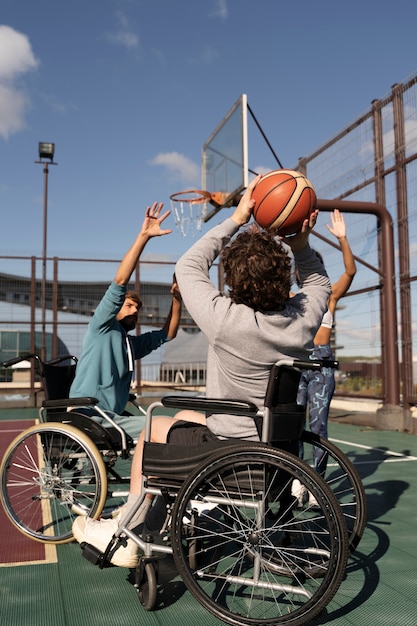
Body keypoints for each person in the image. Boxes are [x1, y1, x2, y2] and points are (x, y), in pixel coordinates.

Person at [72, 175, 331, 567]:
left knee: (156, 426)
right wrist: (299, 242)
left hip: (231, 451)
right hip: (276, 447)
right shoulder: (302, 321)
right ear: (284, 279)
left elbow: (189, 263)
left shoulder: (225, 319)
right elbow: (318, 282)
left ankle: (126, 529)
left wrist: (238, 216)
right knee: (185, 416)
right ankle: (154, 520)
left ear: (233, 283)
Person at [69, 202, 182, 441]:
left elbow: (167, 334)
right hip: (89, 415)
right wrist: (144, 237)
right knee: (167, 428)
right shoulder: (101, 327)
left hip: (111, 416)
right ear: (114, 309)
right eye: (128, 305)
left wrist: (176, 299)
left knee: (174, 423)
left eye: (137, 308)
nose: (134, 310)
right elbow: (120, 281)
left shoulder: (128, 345)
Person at [294, 209, 356, 503]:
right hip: (296, 363)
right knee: (292, 423)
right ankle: (296, 478)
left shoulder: (329, 295)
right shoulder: (291, 301)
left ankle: (317, 482)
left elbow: (351, 272)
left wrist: (343, 239)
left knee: (318, 427)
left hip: (321, 363)